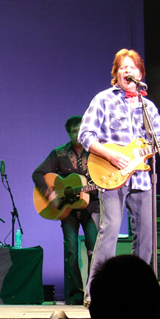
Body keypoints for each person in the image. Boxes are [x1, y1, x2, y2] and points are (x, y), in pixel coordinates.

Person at [78, 49, 160, 302]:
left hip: (142, 178)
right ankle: (96, 293)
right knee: (110, 229)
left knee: (147, 235)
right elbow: (85, 135)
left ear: (140, 74)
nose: (128, 71)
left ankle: (137, 294)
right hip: (111, 175)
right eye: (122, 67)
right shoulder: (103, 99)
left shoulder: (149, 107)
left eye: (132, 67)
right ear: (115, 74)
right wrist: (112, 156)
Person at [32, 116, 99, 305]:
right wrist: (50, 195)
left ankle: (93, 293)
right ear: (69, 134)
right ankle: (76, 294)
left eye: (80, 130)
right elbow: (37, 174)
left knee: (94, 249)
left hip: (91, 205)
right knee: (71, 251)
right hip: (67, 210)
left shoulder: (95, 152)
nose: (78, 134)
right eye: (74, 131)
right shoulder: (59, 153)